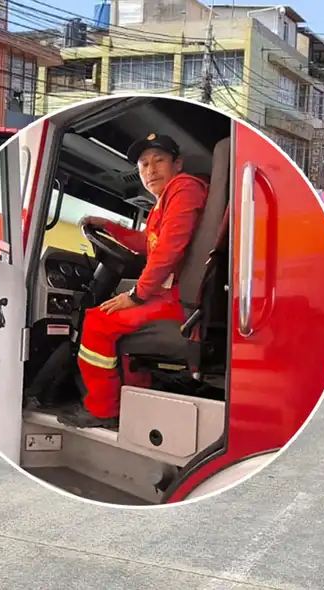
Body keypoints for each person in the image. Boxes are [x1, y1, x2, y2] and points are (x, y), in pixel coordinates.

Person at [62, 133, 208, 429]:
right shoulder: (165, 200)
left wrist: (137, 294)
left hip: (179, 300)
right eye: (143, 165)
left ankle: (102, 411)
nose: (151, 170)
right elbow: (149, 242)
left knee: (96, 322)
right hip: (175, 296)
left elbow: (168, 249)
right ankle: (136, 399)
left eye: (159, 161)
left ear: (177, 164)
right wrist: (110, 227)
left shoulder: (184, 188)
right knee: (115, 325)